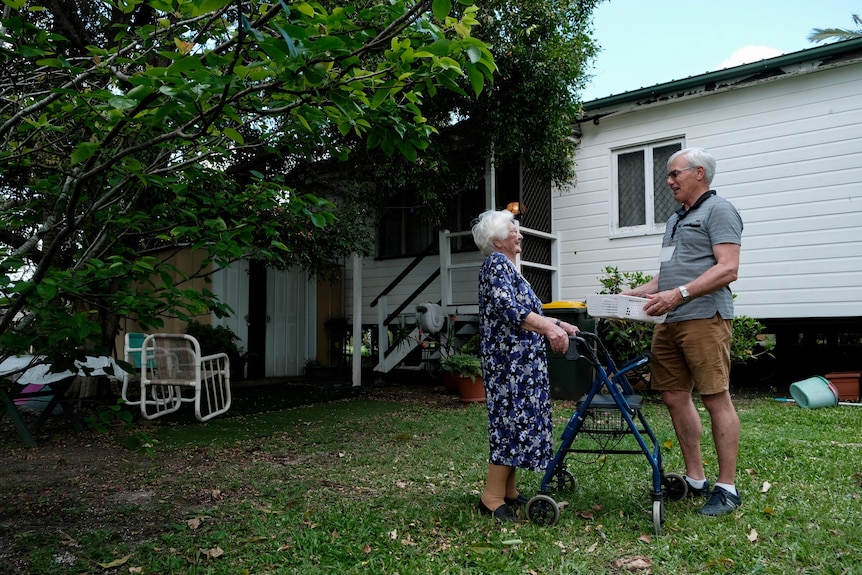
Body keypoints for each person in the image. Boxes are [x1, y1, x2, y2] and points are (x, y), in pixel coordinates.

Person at [622, 147, 743, 517]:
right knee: (674, 397)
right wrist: (634, 294)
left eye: (675, 174)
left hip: (705, 317)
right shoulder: (676, 219)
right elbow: (670, 272)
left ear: (700, 173)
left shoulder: (720, 211)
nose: (669, 181)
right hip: (669, 321)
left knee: (715, 398)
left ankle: (727, 489)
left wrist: (681, 294)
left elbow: (728, 268)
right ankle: (695, 479)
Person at [470, 209, 579, 522]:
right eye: (513, 229)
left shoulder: (510, 268)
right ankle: (491, 496)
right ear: (498, 239)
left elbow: (530, 310)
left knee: (518, 424)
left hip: (521, 364)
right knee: (510, 423)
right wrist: (548, 328)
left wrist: (559, 323)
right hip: (509, 365)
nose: (520, 234)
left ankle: (508, 490)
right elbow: (507, 308)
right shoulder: (496, 264)